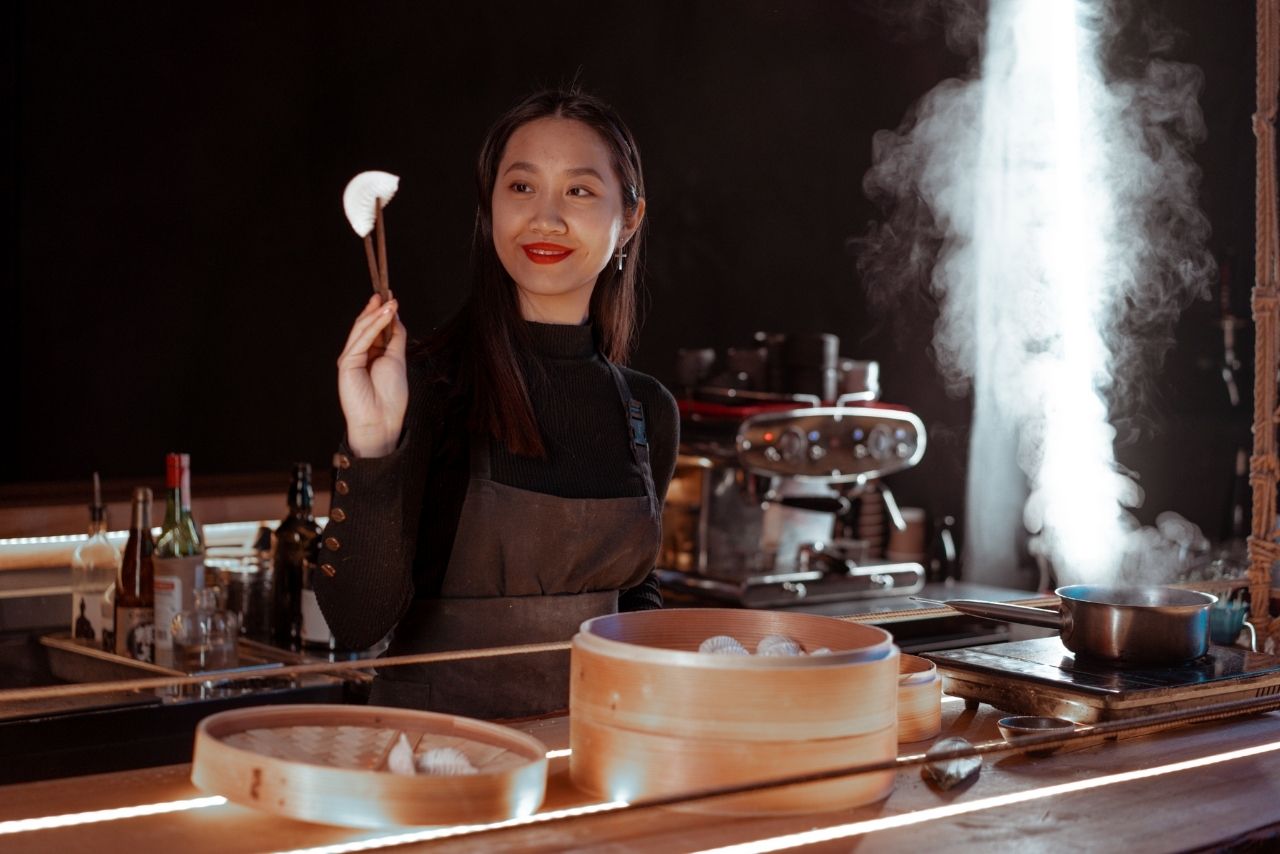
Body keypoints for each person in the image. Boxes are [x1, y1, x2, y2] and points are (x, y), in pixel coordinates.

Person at [313, 88, 678, 719]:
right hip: (437, 754)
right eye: (521, 187)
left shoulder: (647, 411)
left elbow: (632, 597)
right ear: (490, 208)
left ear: (630, 220)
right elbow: (355, 623)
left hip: (596, 750)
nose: (546, 219)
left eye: (579, 191)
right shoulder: (427, 385)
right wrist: (373, 442)